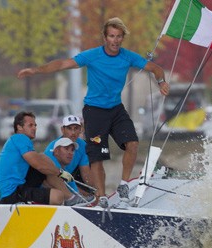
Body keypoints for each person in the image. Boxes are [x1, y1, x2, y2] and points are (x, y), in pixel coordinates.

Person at [17, 17, 170, 207]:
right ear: (105, 37)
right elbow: (63, 64)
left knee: (132, 143)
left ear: (123, 38)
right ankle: (102, 195)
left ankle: (123, 184)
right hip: (94, 112)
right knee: (97, 156)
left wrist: (161, 82)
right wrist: (36, 70)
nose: (115, 40)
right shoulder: (92, 55)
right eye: (111, 36)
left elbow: (155, 68)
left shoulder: (128, 56)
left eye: (118, 37)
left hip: (116, 109)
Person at [0, 111, 86, 206]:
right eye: (30, 125)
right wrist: (61, 173)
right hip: (12, 195)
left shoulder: (17, 140)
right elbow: (39, 165)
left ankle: (70, 198)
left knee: (43, 158)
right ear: (19, 127)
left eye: (35, 125)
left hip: (17, 189)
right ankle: (70, 198)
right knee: (58, 196)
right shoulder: (20, 138)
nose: (34, 128)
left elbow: (41, 161)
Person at [45, 115, 96, 196]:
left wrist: (96, 192)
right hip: (52, 180)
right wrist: (81, 195)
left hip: (68, 177)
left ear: (81, 129)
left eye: (76, 128)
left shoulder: (83, 145)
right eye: (69, 128)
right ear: (62, 130)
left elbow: (86, 173)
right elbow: (55, 177)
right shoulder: (53, 148)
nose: (73, 133)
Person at [45, 137, 95, 205]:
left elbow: (78, 196)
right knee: (59, 195)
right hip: (32, 197)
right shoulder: (48, 165)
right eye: (66, 149)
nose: (70, 153)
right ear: (56, 151)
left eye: (72, 150)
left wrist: (94, 197)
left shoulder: (66, 175)